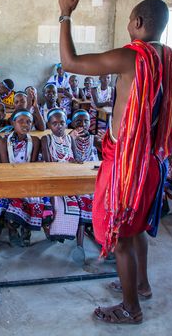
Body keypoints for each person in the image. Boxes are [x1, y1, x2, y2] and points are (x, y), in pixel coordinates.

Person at [59, 0, 172, 324]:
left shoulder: (133, 57)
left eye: (129, 20)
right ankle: (141, 285)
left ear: (138, 22)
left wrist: (65, 14)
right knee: (137, 227)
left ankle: (131, 308)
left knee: (121, 236)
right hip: (152, 159)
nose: (128, 25)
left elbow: (70, 62)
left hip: (127, 163)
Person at [0, 109, 42, 246]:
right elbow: (5, 167)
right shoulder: (4, 142)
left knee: (33, 198)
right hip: (9, 180)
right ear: (13, 123)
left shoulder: (35, 141)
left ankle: (26, 229)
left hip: (28, 179)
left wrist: (25, 183)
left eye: (28, 122)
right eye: (20, 121)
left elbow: (32, 165)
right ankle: (12, 229)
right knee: (9, 198)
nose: (25, 125)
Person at [41, 109, 81, 245]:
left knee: (74, 205)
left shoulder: (70, 139)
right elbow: (49, 162)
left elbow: (75, 157)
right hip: (53, 179)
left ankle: (63, 233)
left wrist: (75, 161)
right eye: (55, 123)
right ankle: (53, 232)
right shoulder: (46, 139)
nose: (59, 126)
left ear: (66, 124)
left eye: (62, 123)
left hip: (68, 178)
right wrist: (66, 164)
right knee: (56, 205)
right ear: (49, 125)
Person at [69, 109, 100, 264]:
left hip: (92, 180)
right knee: (83, 201)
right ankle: (80, 245)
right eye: (78, 121)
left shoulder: (94, 139)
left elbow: (103, 156)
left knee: (101, 201)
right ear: (73, 124)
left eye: (86, 121)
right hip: (76, 181)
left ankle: (103, 241)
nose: (82, 124)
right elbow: (71, 158)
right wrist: (72, 139)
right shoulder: (69, 139)